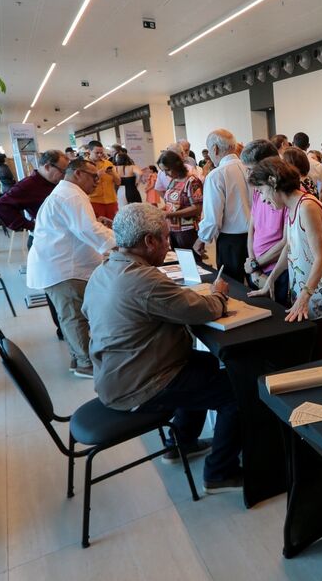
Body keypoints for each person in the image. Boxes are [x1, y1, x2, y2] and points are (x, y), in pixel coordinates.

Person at [82, 203, 243, 493]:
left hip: (117, 373)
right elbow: (199, 311)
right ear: (149, 241)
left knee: (202, 367)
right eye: (166, 238)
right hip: (140, 383)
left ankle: (180, 443)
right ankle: (220, 473)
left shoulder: (104, 269)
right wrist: (218, 296)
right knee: (237, 391)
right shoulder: (142, 280)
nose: (168, 244)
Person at [248, 157, 322, 358]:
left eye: (261, 190)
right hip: (310, 292)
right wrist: (271, 280)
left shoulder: (307, 206)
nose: (263, 198)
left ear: (273, 182)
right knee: (313, 352)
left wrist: (304, 296)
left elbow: (321, 257)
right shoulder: (292, 206)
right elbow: (290, 248)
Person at [26, 159, 115, 378]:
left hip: (61, 264)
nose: (97, 181)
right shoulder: (72, 194)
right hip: (62, 268)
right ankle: (85, 363)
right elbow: (87, 229)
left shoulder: (67, 193)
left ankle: (79, 358)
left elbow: (79, 227)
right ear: (77, 174)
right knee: (73, 316)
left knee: (72, 314)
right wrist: (121, 240)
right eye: (94, 176)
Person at [194, 129, 251, 282]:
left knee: (232, 287)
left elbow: (213, 218)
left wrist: (201, 239)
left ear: (215, 149)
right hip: (256, 237)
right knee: (256, 287)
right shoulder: (250, 169)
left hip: (231, 241)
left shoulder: (216, 175)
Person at [241, 140, 289, 303]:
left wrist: (256, 264)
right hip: (257, 267)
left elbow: (287, 242)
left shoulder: (286, 192)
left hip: (278, 270)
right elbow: (252, 228)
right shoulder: (258, 189)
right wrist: (252, 263)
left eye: (251, 169)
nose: (248, 175)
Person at [0, 150, 69, 232]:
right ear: (47, 167)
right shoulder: (28, 185)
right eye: (63, 171)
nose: (65, 175)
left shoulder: (53, 182)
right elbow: (0, 206)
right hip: (47, 237)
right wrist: (31, 226)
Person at [158, 150, 203, 257]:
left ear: (176, 166)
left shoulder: (192, 181)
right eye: (163, 171)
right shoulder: (174, 181)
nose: (165, 174)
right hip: (173, 229)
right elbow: (171, 204)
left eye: (167, 170)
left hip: (187, 230)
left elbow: (197, 208)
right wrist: (160, 211)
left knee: (192, 262)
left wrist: (170, 214)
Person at [85, 141, 118, 222]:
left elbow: (118, 182)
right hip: (94, 201)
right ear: (89, 151)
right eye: (97, 153)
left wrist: (113, 174)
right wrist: (97, 176)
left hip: (111, 201)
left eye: (101, 152)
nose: (99, 155)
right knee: (99, 227)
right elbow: (84, 185)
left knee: (114, 225)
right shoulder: (83, 165)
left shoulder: (108, 163)